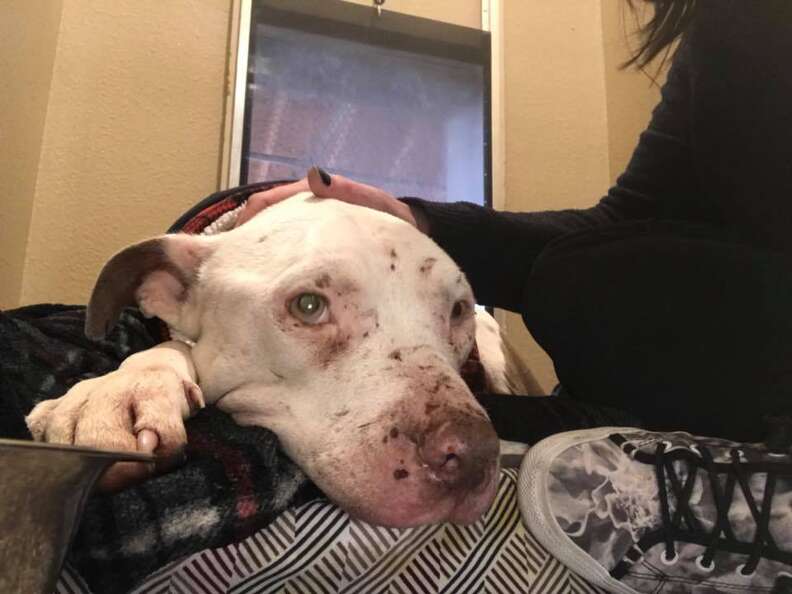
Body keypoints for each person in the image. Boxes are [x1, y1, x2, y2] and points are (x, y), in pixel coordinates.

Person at [237, 1, 792, 591]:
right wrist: (417, 222)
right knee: (586, 278)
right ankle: (599, 423)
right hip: (714, 368)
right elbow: (623, 223)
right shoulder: (730, 25)